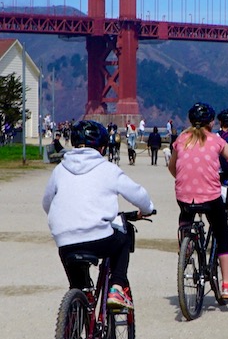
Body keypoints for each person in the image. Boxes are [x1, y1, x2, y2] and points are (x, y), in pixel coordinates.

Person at [42, 120, 156, 310]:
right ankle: (117, 287)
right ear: (102, 148)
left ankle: (75, 321)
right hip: (98, 238)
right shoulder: (108, 169)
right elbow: (139, 195)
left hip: (65, 240)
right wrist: (147, 209)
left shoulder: (59, 170)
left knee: (78, 284)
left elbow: (47, 203)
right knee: (123, 237)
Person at [168, 103, 228, 300]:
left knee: (185, 215)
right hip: (211, 196)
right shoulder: (216, 141)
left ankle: (186, 242)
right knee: (223, 233)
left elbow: (172, 167)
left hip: (184, 195)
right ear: (212, 123)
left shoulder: (181, 139)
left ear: (190, 121)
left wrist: (184, 181)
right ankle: (227, 284)